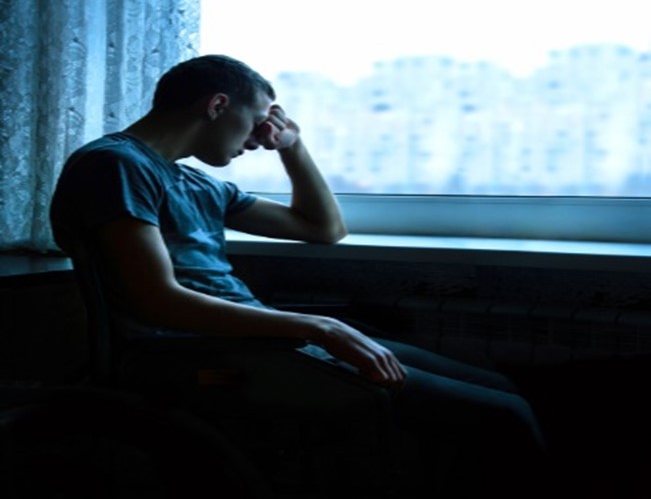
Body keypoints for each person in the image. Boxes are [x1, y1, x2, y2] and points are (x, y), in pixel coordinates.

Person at [50, 54, 549, 498]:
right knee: (505, 418)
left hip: (254, 338)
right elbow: (157, 301)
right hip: (189, 354)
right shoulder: (115, 164)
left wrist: (292, 147)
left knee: (500, 386)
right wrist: (318, 326)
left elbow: (323, 229)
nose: (257, 138)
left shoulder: (196, 181)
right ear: (218, 105)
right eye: (257, 121)